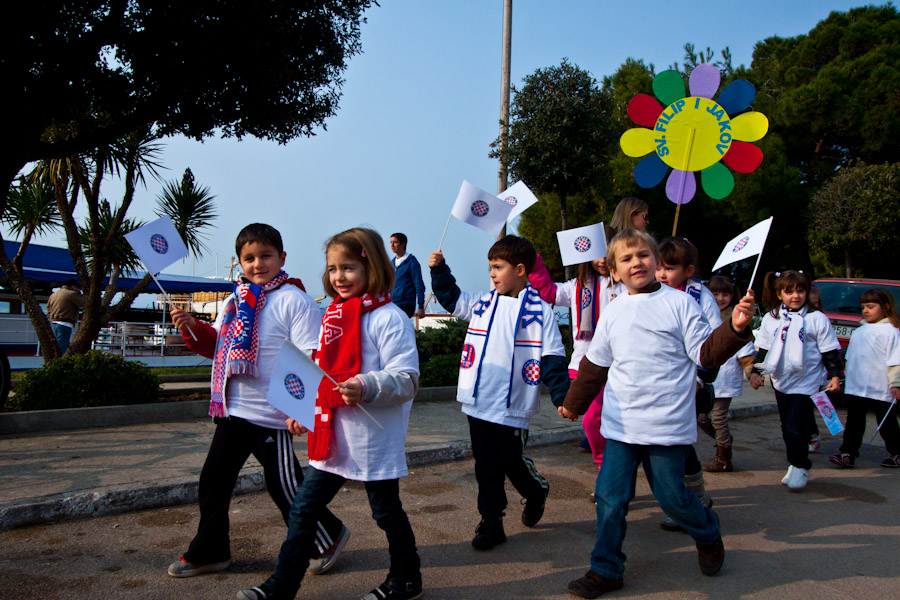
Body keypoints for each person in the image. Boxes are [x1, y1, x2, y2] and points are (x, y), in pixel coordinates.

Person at [561, 229, 756, 598]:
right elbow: (595, 364)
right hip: (620, 425)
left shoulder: (681, 304)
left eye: (643, 255)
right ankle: (606, 569)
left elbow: (706, 354)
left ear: (655, 260)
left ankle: (708, 534)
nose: (636, 262)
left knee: (673, 498)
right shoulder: (614, 310)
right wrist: (574, 404)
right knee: (610, 498)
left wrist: (734, 328)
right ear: (614, 271)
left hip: (666, 425)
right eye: (626, 258)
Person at [240, 227, 423, 600]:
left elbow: (406, 379)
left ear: (372, 266)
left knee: (386, 514)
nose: (339, 277)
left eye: (349, 267)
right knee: (303, 511)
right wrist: (304, 408)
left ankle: (406, 579)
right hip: (331, 435)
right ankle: (282, 585)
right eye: (333, 268)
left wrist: (366, 386)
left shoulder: (390, 318)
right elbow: (319, 370)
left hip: (372, 439)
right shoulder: (332, 315)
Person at [167, 224, 348, 579]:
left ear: (282, 258)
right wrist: (191, 327)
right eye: (249, 258)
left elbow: (314, 356)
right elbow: (218, 346)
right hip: (233, 409)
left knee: (286, 487)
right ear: (239, 263)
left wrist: (303, 409)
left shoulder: (293, 299)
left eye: (266, 256)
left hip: (272, 413)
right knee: (213, 482)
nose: (258, 264)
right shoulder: (234, 301)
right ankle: (211, 551)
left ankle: (325, 539)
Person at [429, 235, 570, 550]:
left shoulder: (539, 311)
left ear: (520, 270)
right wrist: (440, 270)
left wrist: (562, 397)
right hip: (478, 402)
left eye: (498, 267)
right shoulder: (482, 302)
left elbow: (552, 357)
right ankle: (491, 522)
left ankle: (534, 491)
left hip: (512, 405)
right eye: (490, 267)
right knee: (485, 465)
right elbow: (451, 297)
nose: (492, 274)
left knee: (509, 458)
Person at [527, 225, 625, 470]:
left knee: (594, 419)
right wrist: (535, 263)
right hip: (582, 365)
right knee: (587, 418)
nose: (602, 259)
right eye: (597, 252)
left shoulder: (626, 287)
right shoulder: (576, 286)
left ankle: (608, 469)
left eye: (608, 252)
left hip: (617, 366)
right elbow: (548, 292)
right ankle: (613, 466)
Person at [750, 270, 842, 491]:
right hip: (782, 380)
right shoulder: (772, 318)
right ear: (779, 294)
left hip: (807, 380)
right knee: (787, 426)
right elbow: (763, 349)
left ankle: (802, 465)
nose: (795, 296)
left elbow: (830, 351)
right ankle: (794, 462)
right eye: (789, 291)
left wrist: (835, 375)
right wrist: (757, 372)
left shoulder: (816, 318)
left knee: (795, 424)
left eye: (800, 291)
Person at [654, 237, 720, 529]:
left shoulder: (700, 297)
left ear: (689, 269)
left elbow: (714, 345)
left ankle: (689, 503)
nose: (661, 274)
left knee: (676, 445)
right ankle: (695, 496)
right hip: (660, 384)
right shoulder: (652, 293)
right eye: (658, 268)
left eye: (669, 268)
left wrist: (701, 379)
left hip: (691, 386)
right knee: (674, 445)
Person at [828, 288, 900, 468]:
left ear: (886, 307)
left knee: (886, 423)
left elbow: (895, 360)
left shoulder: (891, 331)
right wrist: (842, 377)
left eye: (870, 306)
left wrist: (896, 383)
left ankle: (897, 452)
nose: (865, 310)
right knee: (854, 422)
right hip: (857, 386)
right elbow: (851, 358)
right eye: (863, 307)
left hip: (880, 385)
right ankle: (848, 452)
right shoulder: (860, 331)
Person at [701, 275, 757, 472]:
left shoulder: (735, 320)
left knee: (718, 418)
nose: (720, 298)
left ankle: (723, 458)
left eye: (725, 294)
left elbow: (747, 356)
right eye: (715, 293)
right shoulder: (701, 315)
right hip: (705, 380)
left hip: (725, 381)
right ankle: (723, 439)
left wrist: (753, 375)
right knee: (701, 417)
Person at [390, 232, 426, 319]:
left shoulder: (412, 262)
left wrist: (420, 307)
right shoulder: (392, 262)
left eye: (395, 242)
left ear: (403, 244)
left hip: (406, 303)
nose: (392, 245)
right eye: (391, 242)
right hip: (392, 303)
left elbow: (419, 285)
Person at [47, 279, 84, 354]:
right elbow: (83, 303)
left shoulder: (54, 294)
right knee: (62, 344)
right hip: (65, 322)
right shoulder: (71, 294)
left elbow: (48, 308)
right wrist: (80, 294)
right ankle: (59, 360)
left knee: (59, 341)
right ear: (73, 286)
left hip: (55, 321)